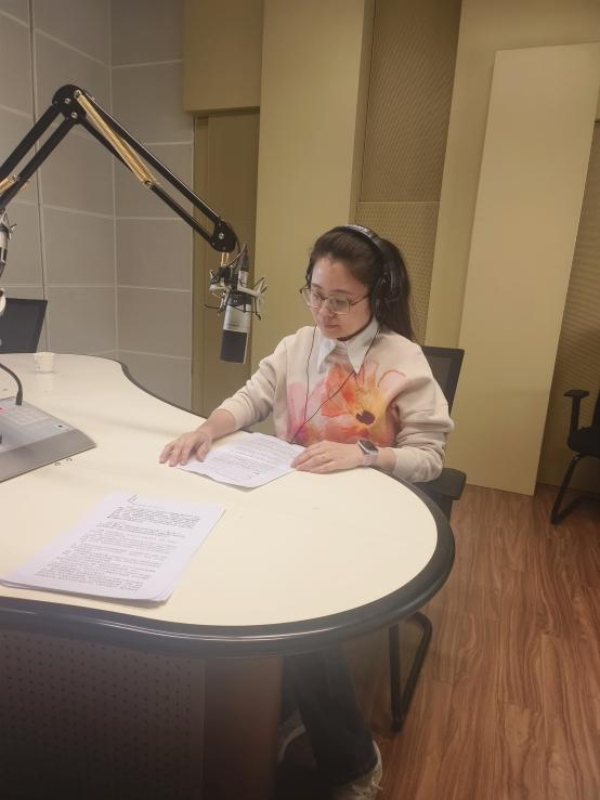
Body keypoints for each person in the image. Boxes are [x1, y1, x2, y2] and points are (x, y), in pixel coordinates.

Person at [160, 224, 454, 799]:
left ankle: (353, 760)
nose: (324, 311)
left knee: (295, 610)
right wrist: (207, 428)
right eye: (316, 294)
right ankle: (270, 707)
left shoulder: (402, 360)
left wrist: (364, 453)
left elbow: (430, 457)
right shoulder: (298, 344)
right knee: (224, 574)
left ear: (377, 297)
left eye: (341, 301)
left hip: (366, 517)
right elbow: (252, 397)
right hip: (290, 503)